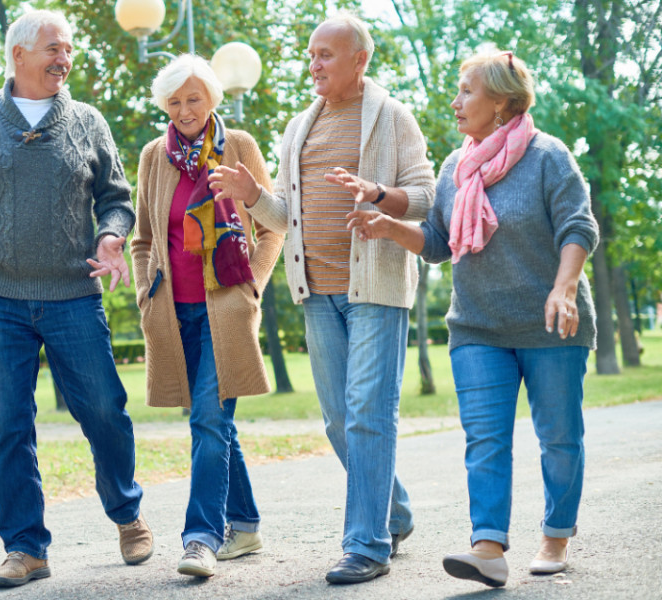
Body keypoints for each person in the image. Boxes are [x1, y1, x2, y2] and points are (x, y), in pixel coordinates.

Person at [346, 50, 598, 587]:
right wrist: (390, 227)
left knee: (559, 437)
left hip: (551, 325)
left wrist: (565, 288)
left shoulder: (549, 156)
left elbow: (579, 227)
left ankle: (556, 533)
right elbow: (438, 242)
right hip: (477, 326)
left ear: (504, 103)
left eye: (467, 91)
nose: (456, 101)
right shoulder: (456, 167)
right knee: (485, 440)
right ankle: (488, 548)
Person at [0, 9, 153, 589]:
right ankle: (26, 548)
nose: (64, 59)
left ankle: (126, 512)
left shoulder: (88, 121)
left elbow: (117, 197)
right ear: (19, 54)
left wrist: (112, 234)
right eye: (54, 48)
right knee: (7, 425)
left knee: (103, 409)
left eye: (69, 50)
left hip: (73, 293)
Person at [208, 12, 435, 585]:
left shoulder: (391, 117)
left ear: (360, 60)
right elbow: (283, 213)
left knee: (367, 415)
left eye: (326, 55)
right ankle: (393, 512)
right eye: (311, 55)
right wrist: (252, 194)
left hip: (376, 291)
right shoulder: (299, 126)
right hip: (317, 292)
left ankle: (367, 545)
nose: (314, 65)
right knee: (338, 420)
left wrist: (380, 197)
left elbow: (428, 195)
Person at [130, 54, 283, 579]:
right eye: (174, 101)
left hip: (226, 310)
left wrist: (252, 287)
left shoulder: (237, 146)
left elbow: (272, 225)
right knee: (214, 424)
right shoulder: (155, 156)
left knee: (208, 420)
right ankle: (245, 524)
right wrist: (144, 296)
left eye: (193, 98)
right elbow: (144, 239)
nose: (184, 109)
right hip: (174, 315)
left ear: (212, 98)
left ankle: (201, 539)